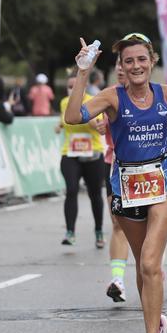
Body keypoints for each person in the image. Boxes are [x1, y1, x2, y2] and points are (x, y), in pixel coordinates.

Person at [64, 33, 167, 333]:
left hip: (165, 181)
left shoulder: (165, 93)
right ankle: (157, 327)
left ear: (152, 61)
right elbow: (72, 117)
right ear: (121, 67)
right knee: (144, 266)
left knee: (151, 261)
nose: (136, 66)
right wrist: (83, 72)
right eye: (129, 61)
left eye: (142, 59)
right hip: (127, 184)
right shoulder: (112, 97)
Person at [56, 71, 107, 247]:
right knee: (71, 190)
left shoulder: (93, 101)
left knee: (95, 194)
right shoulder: (64, 102)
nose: (71, 90)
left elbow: (98, 125)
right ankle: (70, 232)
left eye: (74, 86)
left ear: (82, 87)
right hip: (70, 153)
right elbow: (66, 120)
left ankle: (99, 231)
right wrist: (59, 125)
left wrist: (86, 117)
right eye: (69, 87)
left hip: (93, 153)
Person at [104, 58, 130, 302]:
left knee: (150, 228)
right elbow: (94, 122)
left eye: (130, 62)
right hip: (115, 167)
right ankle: (118, 280)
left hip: (149, 170)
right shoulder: (109, 96)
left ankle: (153, 270)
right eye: (120, 64)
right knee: (118, 223)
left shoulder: (155, 95)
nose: (123, 68)